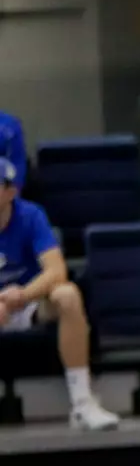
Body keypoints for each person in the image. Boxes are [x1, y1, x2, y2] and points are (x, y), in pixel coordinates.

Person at [0, 160, 118, 429]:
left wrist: (22, 296)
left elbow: (56, 271)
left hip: (27, 302)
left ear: (10, 192)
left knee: (68, 295)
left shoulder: (31, 216)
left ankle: (82, 403)